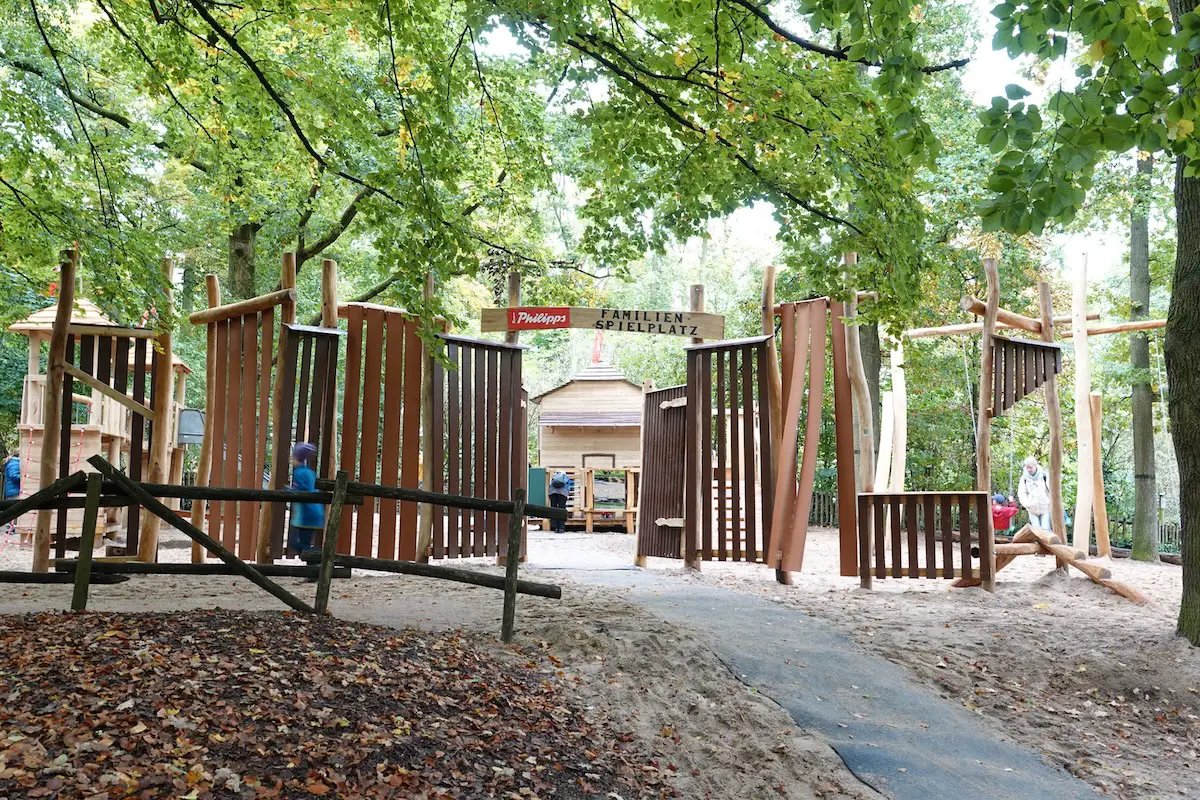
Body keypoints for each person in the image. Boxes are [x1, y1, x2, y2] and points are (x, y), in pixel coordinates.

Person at [287, 442, 324, 555]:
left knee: (298, 544)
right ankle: (313, 562)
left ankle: (320, 557)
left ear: (296, 457)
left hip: (306, 514)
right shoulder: (310, 472)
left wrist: (290, 491)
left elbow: (302, 490)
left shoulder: (299, 473)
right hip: (314, 513)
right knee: (303, 542)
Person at [1018, 456, 1052, 530]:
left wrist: (1050, 502)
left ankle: (1050, 541)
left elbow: (1052, 490)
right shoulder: (1024, 478)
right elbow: (1022, 493)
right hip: (1032, 508)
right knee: (1036, 529)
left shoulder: (1044, 475)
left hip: (1045, 507)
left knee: (1045, 528)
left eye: (1030, 467)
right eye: (1027, 468)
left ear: (1035, 465)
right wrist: (1027, 504)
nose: (1029, 469)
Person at [2, 454, 19, 543]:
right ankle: (10, 528)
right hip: (14, 490)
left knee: (13, 509)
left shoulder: (13, 462)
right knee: (14, 509)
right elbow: (14, 475)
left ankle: (10, 528)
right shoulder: (14, 463)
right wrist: (23, 478)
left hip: (12, 490)